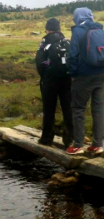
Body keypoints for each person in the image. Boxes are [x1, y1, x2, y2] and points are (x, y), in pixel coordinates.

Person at [66, 7, 104, 155]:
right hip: (101, 75)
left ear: (77, 17)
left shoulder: (78, 31)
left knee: (78, 109)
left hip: (83, 76)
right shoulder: (102, 30)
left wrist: (73, 73)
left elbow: (72, 55)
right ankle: (97, 145)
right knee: (98, 110)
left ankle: (78, 145)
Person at [35, 18, 74, 148]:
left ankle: (46, 139)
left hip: (49, 81)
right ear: (59, 28)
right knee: (68, 109)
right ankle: (70, 139)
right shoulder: (66, 42)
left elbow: (39, 62)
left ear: (47, 29)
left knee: (49, 109)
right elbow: (73, 59)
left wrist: (45, 76)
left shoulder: (45, 42)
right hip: (66, 80)